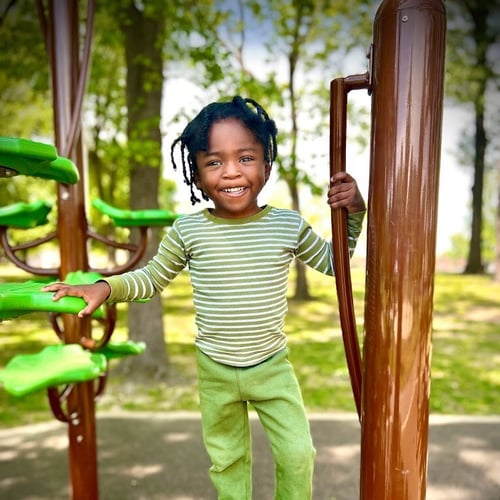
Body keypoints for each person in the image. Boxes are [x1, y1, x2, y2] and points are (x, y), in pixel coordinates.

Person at [43, 96, 366, 499]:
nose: (231, 171)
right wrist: (106, 287)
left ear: (266, 162)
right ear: (196, 173)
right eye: (214, 162)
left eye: (246, 158)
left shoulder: (288, 225)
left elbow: (335, 263)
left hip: (271, 366)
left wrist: (354, 213)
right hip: (215, 368)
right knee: (228, 462)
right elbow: (152, 279)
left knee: (299, 453)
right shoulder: (188, 230)